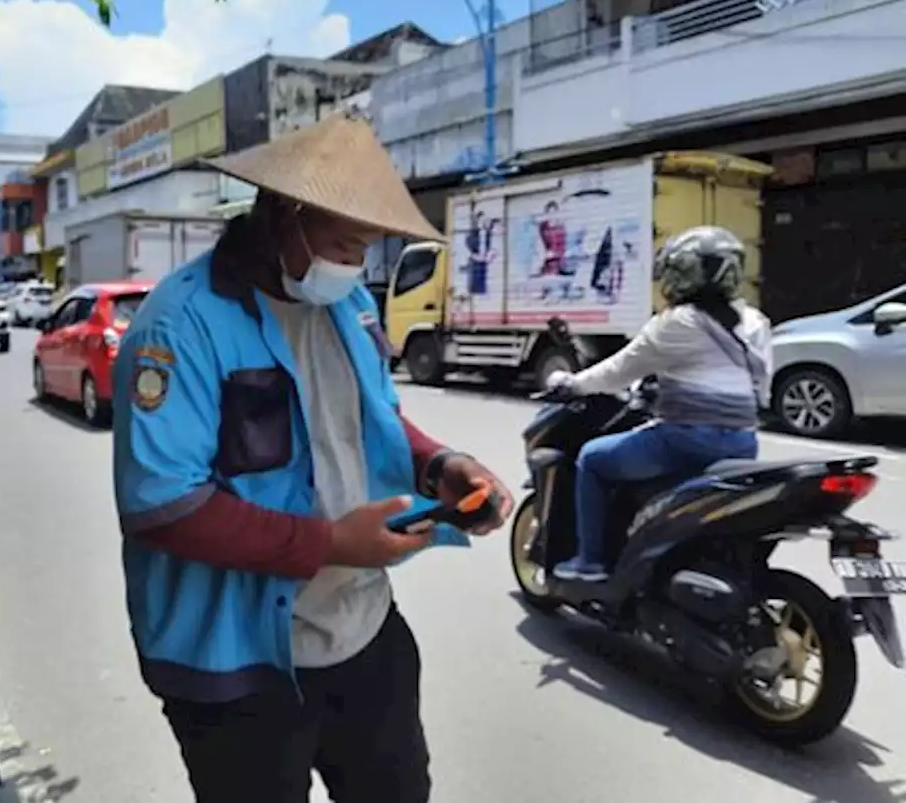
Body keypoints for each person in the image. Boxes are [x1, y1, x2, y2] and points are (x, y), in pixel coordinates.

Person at [112, 113, 514, 803]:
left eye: (367, 247)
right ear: (282, 214)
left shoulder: (347, 303)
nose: (356, 264)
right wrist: (330, 542)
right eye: (345, 242)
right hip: (237, 665)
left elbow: (369, 420)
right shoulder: (182, 323)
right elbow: (160, 504)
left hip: (362, 636)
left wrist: (440, 465)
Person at [547, 225, 773, 582]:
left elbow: (617, 372)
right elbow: (761, 389)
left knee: (591, 459)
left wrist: (571, 384)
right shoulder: (756, 322)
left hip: (685, 440)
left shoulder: (676, 323)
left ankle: (589, 563)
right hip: (743, 443)